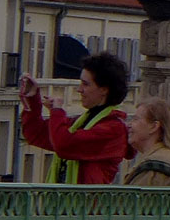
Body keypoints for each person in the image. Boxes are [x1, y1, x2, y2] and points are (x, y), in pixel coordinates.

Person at [17, 52, 131, 184]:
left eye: (85, 84)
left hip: (86, 203)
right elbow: (36, 135)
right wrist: (31, 99)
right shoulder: (82, 122)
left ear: (104, 90)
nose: (79, 89)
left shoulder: (114, 129)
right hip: (64, 203)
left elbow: (64, 145)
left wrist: (57, 111)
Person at [122, 97, 170, 186]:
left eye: (136, 119)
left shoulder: (155, 166)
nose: (129, 125)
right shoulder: (165, 159)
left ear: (154, 127)